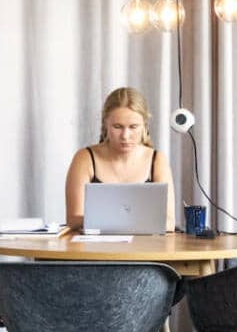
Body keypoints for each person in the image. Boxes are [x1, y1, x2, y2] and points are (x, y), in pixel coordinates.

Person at [64, 86, 177, 231]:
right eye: (118, 127)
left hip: (146, 250)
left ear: (144, 126)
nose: (125, 135)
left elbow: (169, 223)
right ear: (105, 124)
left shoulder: (157, 160)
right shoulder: (85, 158)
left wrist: (108, 222)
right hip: (94, 251)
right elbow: (73, 219)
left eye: (133, 127)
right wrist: (132, 222)